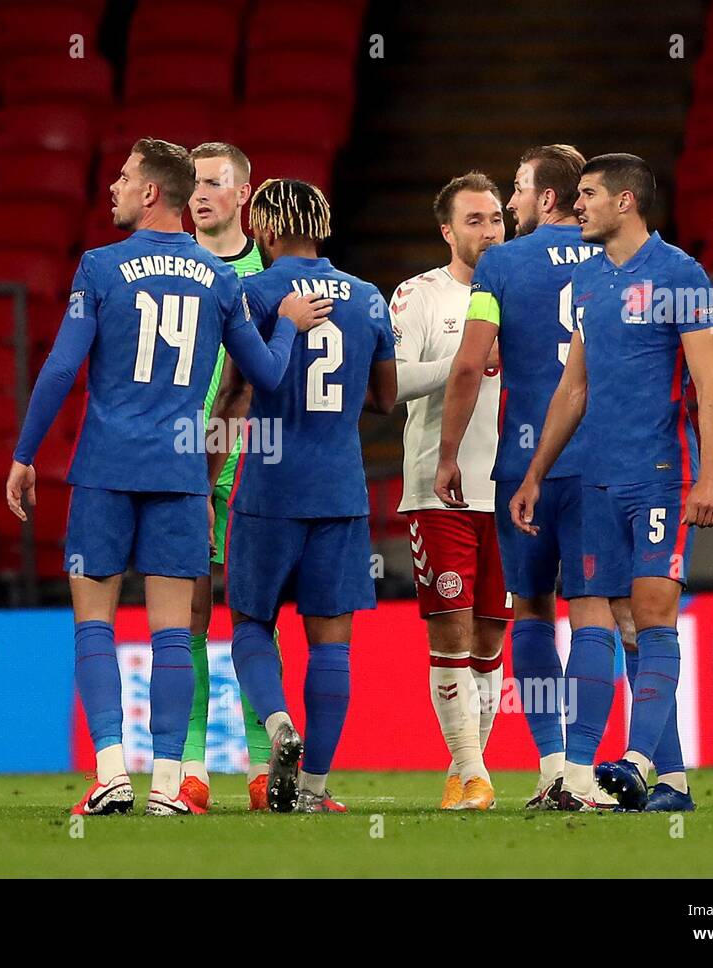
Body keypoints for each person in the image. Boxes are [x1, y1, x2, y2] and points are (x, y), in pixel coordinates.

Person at [4, 140, 330, 817]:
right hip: (182, 474)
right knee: (173, 635)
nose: (114, 188)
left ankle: (110, 774)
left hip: (105, 468)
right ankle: (168, 785)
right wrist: (291, 328)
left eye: (123, 177)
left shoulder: (100, 267)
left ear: (151, 192)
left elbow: (62, 370)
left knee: (94, 623)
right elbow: (265, 379)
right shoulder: (220, 280)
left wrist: (25, 453)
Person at [509, 153, 713, 812]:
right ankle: (670, 782)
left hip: (661, 470)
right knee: (612, 621)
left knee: (654, 613)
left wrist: (710, 475)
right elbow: (573, 388)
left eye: (589, 194)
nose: (579, 206)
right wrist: (536, 472)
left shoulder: (681, 274)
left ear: (626, 202)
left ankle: (632, 762)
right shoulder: (592, 282)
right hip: (597, 479)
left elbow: (711, 389)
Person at [434, 145, 648, 810]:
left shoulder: (501, 263)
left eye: (520, 190)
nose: (512, 204)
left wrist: (447, 454)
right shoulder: (617, 257)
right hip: (601, 463)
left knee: (531, 609)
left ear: (546, 197)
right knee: (598, 614)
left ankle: (553, 766)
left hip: (527, 466)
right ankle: (602, 768)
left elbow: (470, 366)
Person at [223, 178, 398, 813]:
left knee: (250, 623)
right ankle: (316, 789)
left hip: (268, 486)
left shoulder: (251, 294)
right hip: (341, 489)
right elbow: (383, 398)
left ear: (266, 231)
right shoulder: (370, 299)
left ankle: (276, 727)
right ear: (321, 229)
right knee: (332, 643)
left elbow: (238, 393)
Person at [390, 171, 510, 811]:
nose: (489, 231)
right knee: (452, 634)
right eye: (474, 221)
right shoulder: (418, 297)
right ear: (447, 231)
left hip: (510, 488)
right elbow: (392, 385)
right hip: (437, 492)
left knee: (491, 641)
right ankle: (473, 772)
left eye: (496, 219)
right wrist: (468, 357)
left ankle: (470, 769)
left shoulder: (524, 290)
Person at [179, 141, 274, 812]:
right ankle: (192, 768)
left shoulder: (269, 276)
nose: (201, 194)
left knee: (252, 617)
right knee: (186, 618)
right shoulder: (165, 270)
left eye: (215, 182)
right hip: (183, 458)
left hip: (251, 459)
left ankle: (265, 768)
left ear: (244, 193)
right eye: (192, 184)